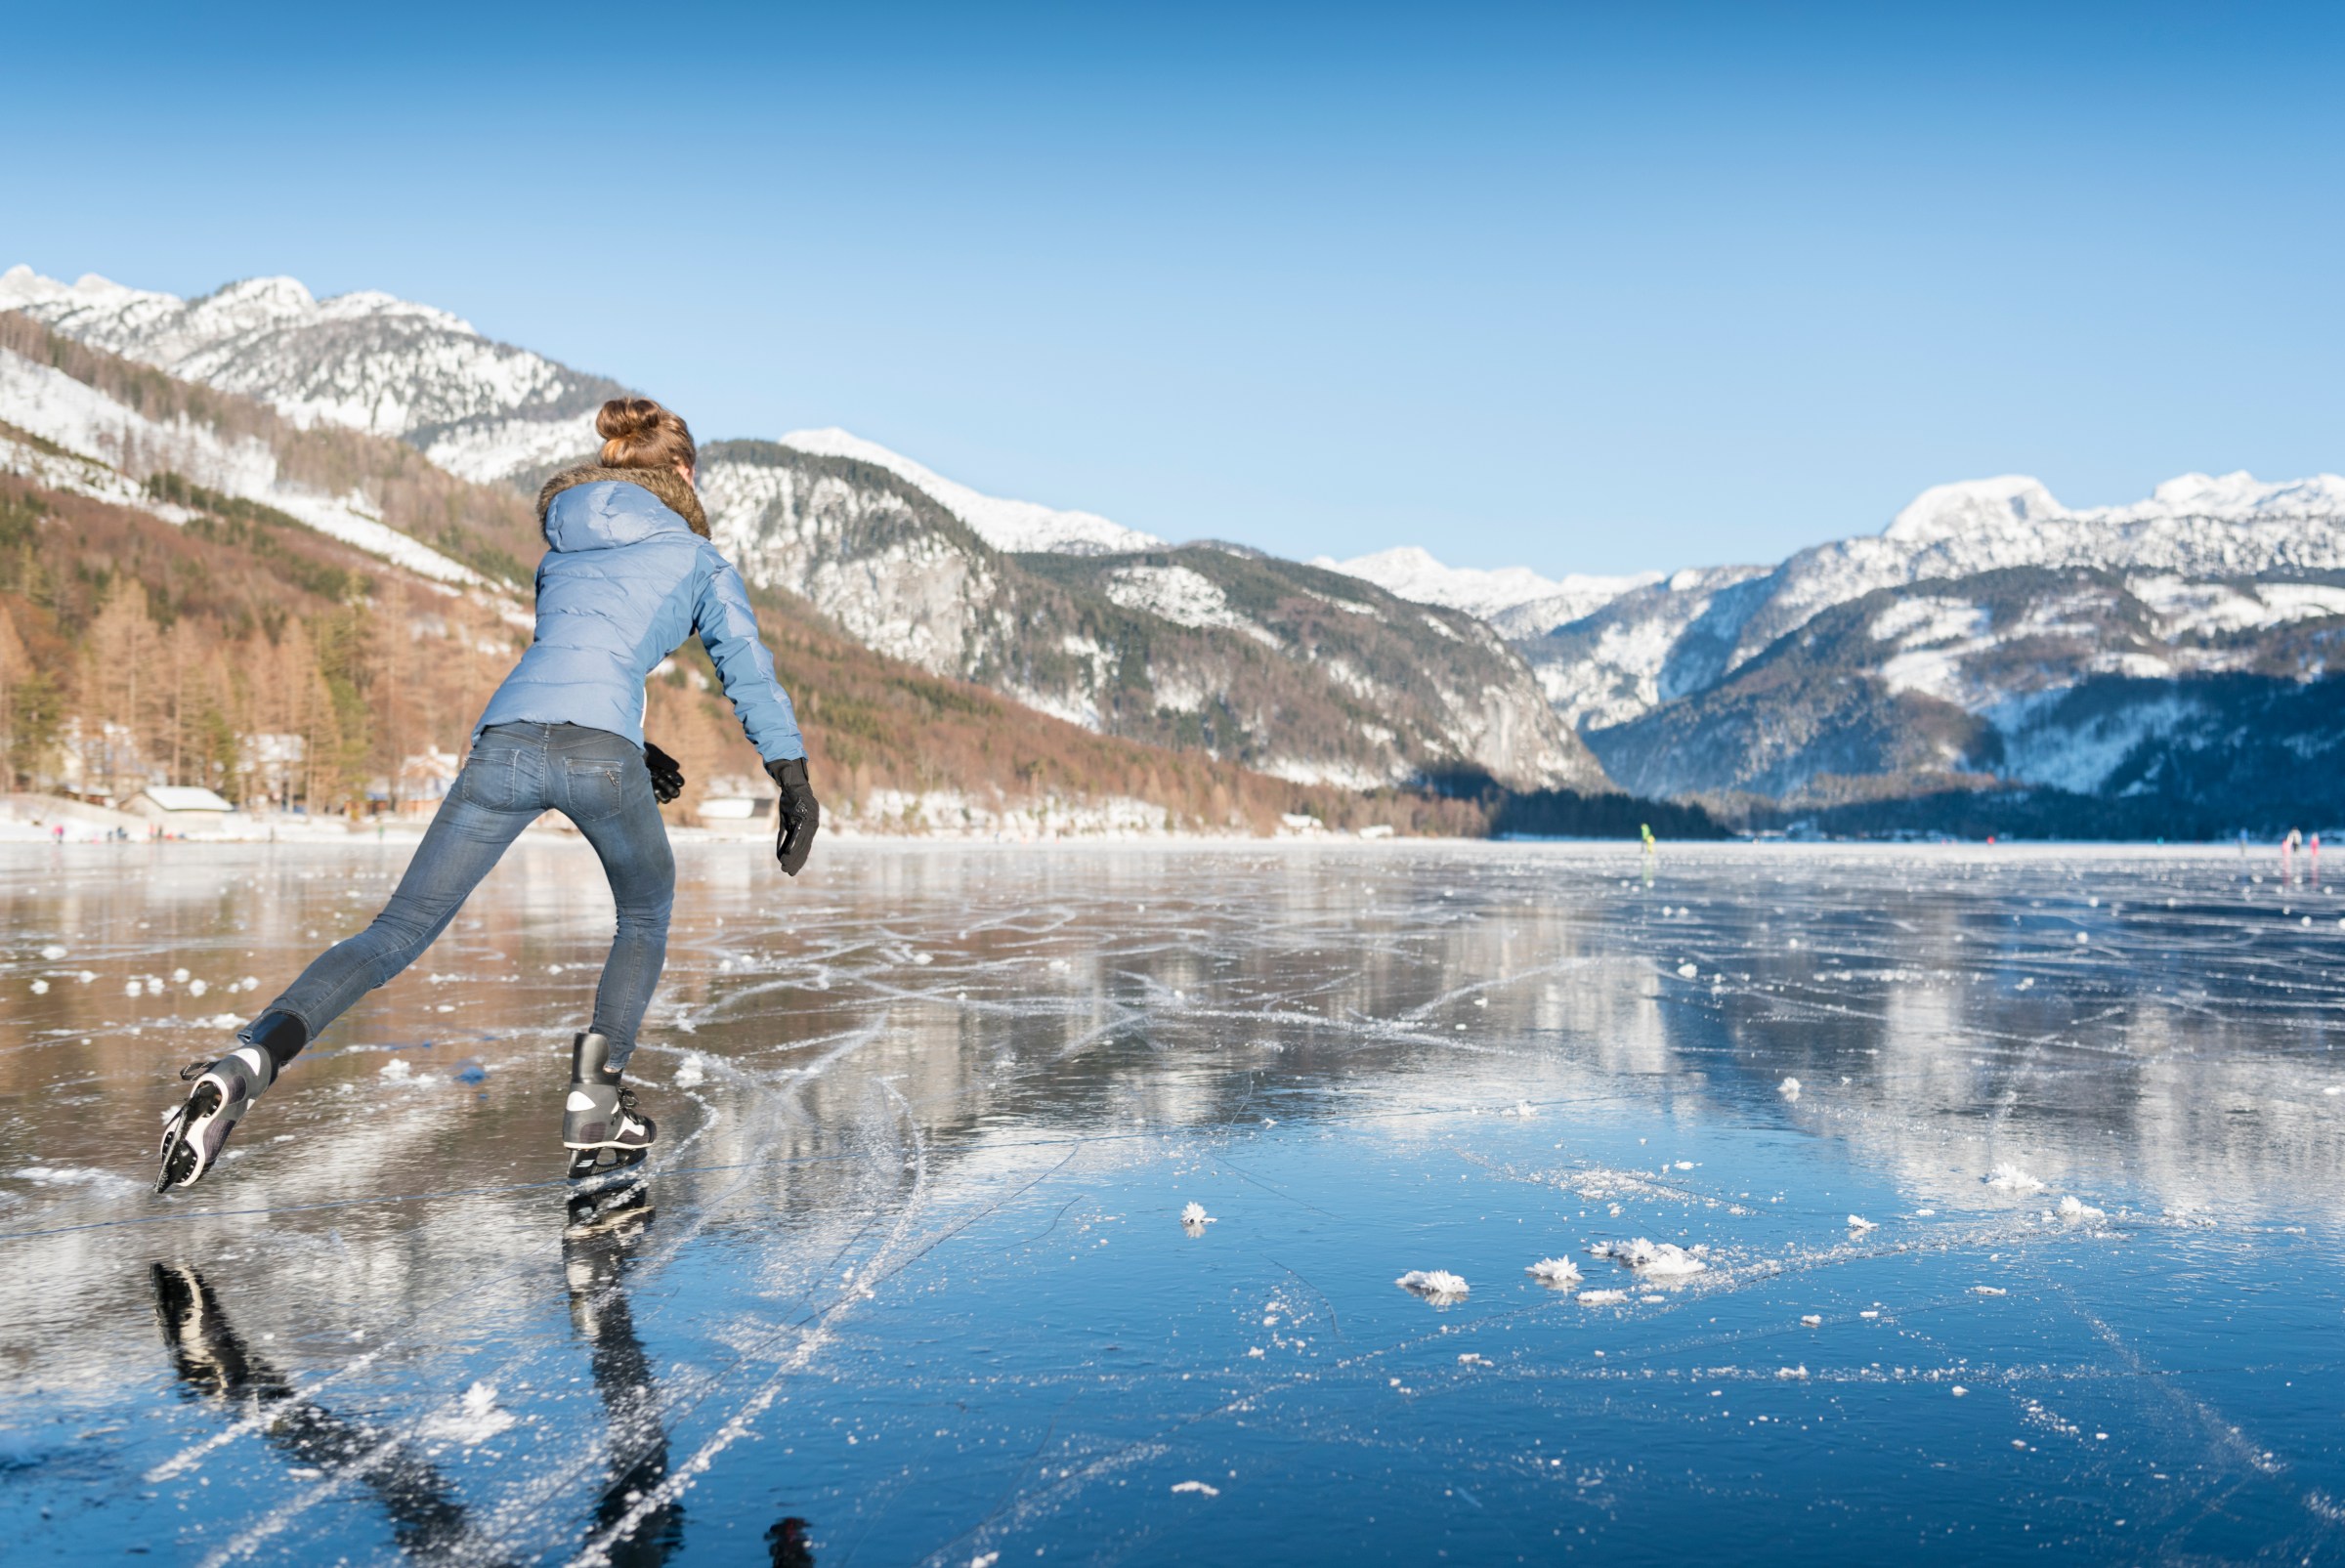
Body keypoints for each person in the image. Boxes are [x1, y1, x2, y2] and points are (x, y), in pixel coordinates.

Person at [156, 398, 822, 1192]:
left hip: (505, 742)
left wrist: (635, 744)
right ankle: (595, 1099)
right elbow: (742, 663)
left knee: (395, 929)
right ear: (681, 471)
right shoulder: (698, 558)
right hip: (597, 755)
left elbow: (570, 653)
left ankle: (247, 1060)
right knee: (644, 914)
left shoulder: (562, 547)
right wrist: (790, 774)